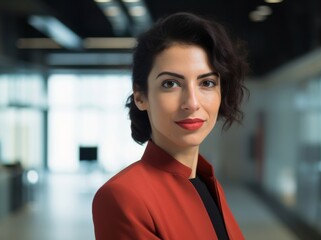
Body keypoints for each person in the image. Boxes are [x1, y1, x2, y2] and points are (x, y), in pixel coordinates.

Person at [92, 12, 248, 240]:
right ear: (140, 97)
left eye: (206, 83)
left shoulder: (208, 183)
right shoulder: (122, 197)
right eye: (171, 83)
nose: (192, 103)